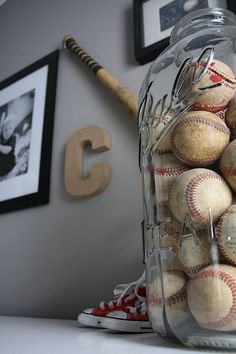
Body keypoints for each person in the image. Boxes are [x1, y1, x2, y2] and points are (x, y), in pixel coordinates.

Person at [0, 113, 16, 177]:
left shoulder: (13, 137)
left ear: (13, 129)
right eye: (5, 130)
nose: (8, 132)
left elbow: (7, 150)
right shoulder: (2, 136)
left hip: (9, 162)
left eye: (10, 128)